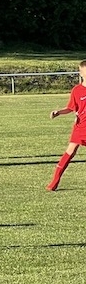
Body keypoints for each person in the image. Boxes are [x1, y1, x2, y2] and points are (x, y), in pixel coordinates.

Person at [46, 60, 86, 191]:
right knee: (70, 152)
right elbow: (71, 107)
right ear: (81, 73)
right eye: (84, 71)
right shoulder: (77, 90)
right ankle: (54, 182)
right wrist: (58, 112)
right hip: (80, 127)